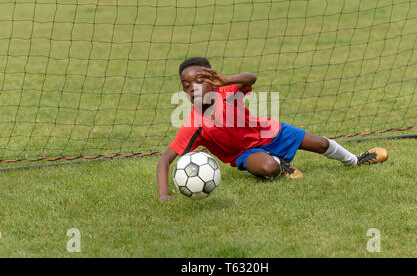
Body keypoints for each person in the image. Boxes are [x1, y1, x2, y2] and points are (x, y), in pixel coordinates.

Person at [157, 57, 388, 202]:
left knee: (321, 144)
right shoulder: (193, 125)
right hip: (244, 154)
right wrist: (164, 195)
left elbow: (251, 78)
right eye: (186, 86)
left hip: (269, 131)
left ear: (212, 78)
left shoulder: (226, 92)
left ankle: (355, 160)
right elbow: (165, 160)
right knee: (268, 168)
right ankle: (280, 164)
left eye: (198, 81)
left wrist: (227, 80)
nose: (192, 89)